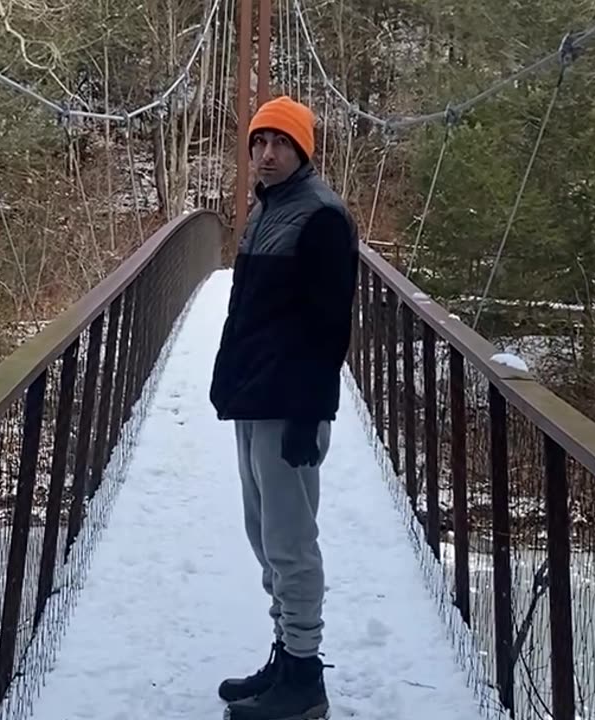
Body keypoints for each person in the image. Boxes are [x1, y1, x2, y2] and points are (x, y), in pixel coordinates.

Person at [209, 95, 358, 720]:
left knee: (291, 542)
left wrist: (307, 415)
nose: (267, 154)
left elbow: (330, 330)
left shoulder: (322, 217)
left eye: (280, 143)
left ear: (302, 151)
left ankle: (304, 677)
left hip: (288, 404)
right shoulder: (268, 208)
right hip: (255, 396)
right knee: (265, 536)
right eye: (259, 142)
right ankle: (285, 656)